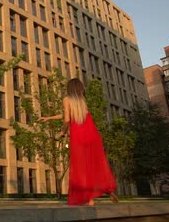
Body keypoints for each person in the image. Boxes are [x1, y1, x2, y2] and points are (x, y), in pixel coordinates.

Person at [39, 78, 118, 206]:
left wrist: (62, 132)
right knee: (96, 164)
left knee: (81, 168)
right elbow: (69, 114)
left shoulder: (66, 99)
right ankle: (109, 191)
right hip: (92, 135)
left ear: (69, 88)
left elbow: (67, 119)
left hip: (79, 136)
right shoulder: (82, 101)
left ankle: (90, 199)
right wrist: (49, 118)